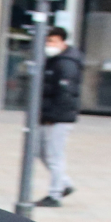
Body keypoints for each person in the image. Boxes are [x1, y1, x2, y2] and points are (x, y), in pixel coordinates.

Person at [36, 27, 82, 206]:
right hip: (49, 115)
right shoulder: (54, 60)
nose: (49, 45)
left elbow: (65, 94)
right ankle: (65, 184)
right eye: (48, 41)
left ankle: (55, 195)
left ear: (63, 42)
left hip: (59, 117)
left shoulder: (66, 63)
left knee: (55, 156)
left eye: (53, 41)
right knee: (42, 152)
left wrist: (53, 116)